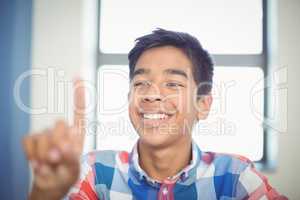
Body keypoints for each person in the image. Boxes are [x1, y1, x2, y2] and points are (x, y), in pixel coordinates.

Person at [23, 28, 287, 200]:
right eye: (140, 83)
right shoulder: (93, 172)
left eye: (172, 84)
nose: (151, 94)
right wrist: (45, 194)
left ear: (203, 105)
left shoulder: (235, 177)